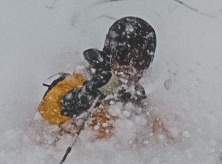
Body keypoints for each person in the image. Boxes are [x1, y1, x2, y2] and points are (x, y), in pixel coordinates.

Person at [37, 16, 169, 141]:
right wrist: (87, 94)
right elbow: (48, 110)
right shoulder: (81, 76)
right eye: (123, 57)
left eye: (140, 61)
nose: (130, 67)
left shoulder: (139, 99)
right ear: (109, 52)